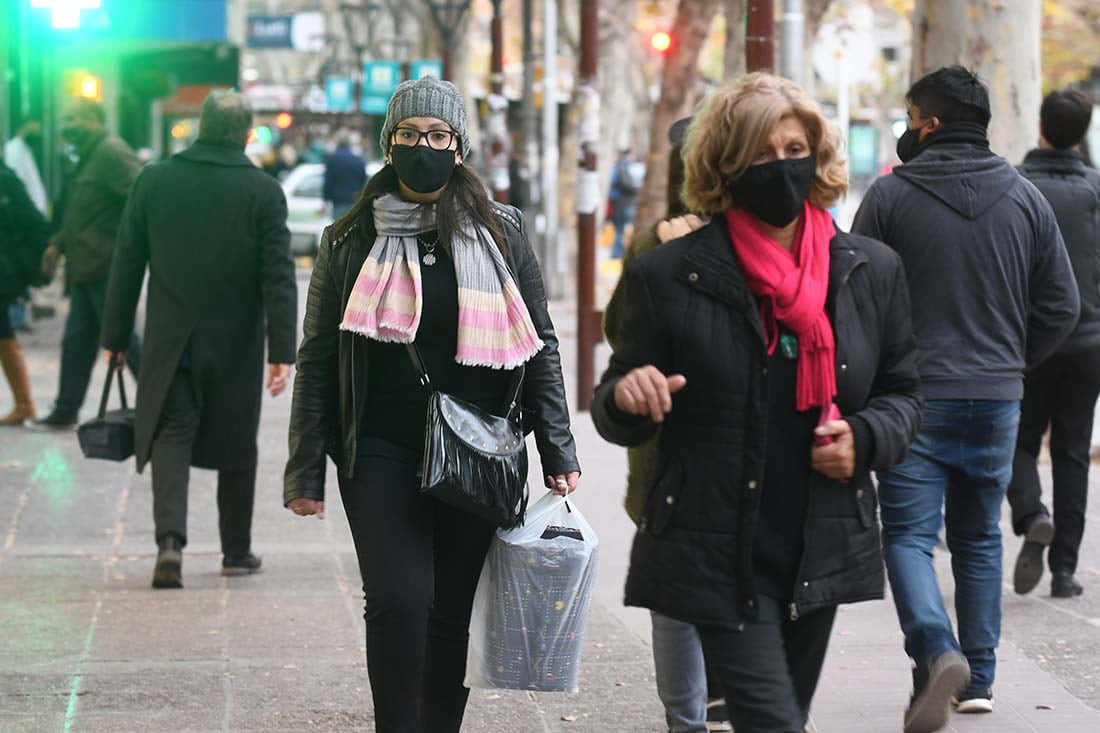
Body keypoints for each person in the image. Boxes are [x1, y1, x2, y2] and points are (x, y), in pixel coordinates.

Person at [591, 73, 923, 733]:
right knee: (773, 721)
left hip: (820, 544)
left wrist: (867, 435)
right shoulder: (670, 272)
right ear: (725, 166)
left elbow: (904, 393)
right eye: (760, 156)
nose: (781, 168)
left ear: (818, 152)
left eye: (794, 148)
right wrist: (629, 396)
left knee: (781, 715)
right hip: (716, 545)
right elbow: (613, 397)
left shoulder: (869, 269)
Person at [283, 76, 581, 732]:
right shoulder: (348, 236)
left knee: (450, 607)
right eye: (409, 134)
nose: (425, 146)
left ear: (459, 145)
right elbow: (318, 356)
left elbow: (540, 339)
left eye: (438, 134)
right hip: (380, 445)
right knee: (397, 599)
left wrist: (557, 443)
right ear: (388, 146)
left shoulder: (502, 230)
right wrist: (305, 466)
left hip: (479, 445)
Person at [851, 66, 1079, 727]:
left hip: (915, 399)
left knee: (910, 537)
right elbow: (1062, 303)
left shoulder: (890, 198)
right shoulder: (1025, 197)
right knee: (979, 537)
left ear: (929, 123)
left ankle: (936, 646)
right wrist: (1014, 362)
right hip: (998, 397)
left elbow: (854, 292)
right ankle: (976, 678)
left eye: (909, 116)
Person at [101, 91, 298, 589]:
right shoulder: (263, 191)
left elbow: (126, 264)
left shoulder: (155, 180)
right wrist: (281, 353)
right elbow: (278, 277)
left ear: (199, 125)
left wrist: (116, 335)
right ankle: (236, 551)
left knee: (171, 436)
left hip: (171, 340)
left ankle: (170, 543)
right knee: (237, 444)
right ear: (245, 132)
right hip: (236, 343)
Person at [602, 117, 727, 733]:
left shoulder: (659, 239)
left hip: (673, 449)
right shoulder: (661, 243)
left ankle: (698, 706)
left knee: (681, 591)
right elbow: (622, 340)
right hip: (672, 441)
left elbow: (615, 328)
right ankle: (703, 701)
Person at [1008, 90, 1100, 600]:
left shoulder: (1016, 186)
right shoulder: (1096, 188)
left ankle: (1030, 513)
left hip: (1027, 342)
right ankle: (1065, 572)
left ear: (1040, 124)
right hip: (1088, 343)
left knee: (1019, 441)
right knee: (1071, 452)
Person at [28, 99, 142, 431]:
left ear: (93, 120)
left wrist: (129, 248)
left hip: (106, 266)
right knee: (77, 341)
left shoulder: (111, 152)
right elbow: (84, 213)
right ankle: (66, 409)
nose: (66, 127)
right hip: (85, 268)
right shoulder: (90, 155)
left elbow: (141, 199)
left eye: (73, 118)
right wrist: (59, 243)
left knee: (122, 339)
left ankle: (165, 403)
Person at [0, 160, 49, 425]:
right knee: (3, 333)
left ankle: (24, 404)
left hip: (3, 271)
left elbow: (35, 223)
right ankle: (24, 404)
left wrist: (29, 267)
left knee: (3, 332)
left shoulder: (6, 180)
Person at [4, 120, 47, 216]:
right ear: (24, 126)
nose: (38, 131)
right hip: (24, 214)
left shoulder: (25, 149)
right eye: (35, 127)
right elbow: (16, 185)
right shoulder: (13, 150)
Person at [323, 132, 368, 220]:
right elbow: (363, 180)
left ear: (337, 143)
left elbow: (328, 182)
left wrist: (326, 199)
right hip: (353, 201)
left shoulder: (331, 159)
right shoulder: (357, 160)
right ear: (349, 144)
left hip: (337, 202)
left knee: (337, 229)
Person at [609, 149, 641, 258]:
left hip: (621, 204)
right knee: (620, 230)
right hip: (623, 204)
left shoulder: (620, 168)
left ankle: (618, 252)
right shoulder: (622, 169)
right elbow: (626, 185)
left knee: (620, 230)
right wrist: (638, 189)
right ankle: (617, 254)